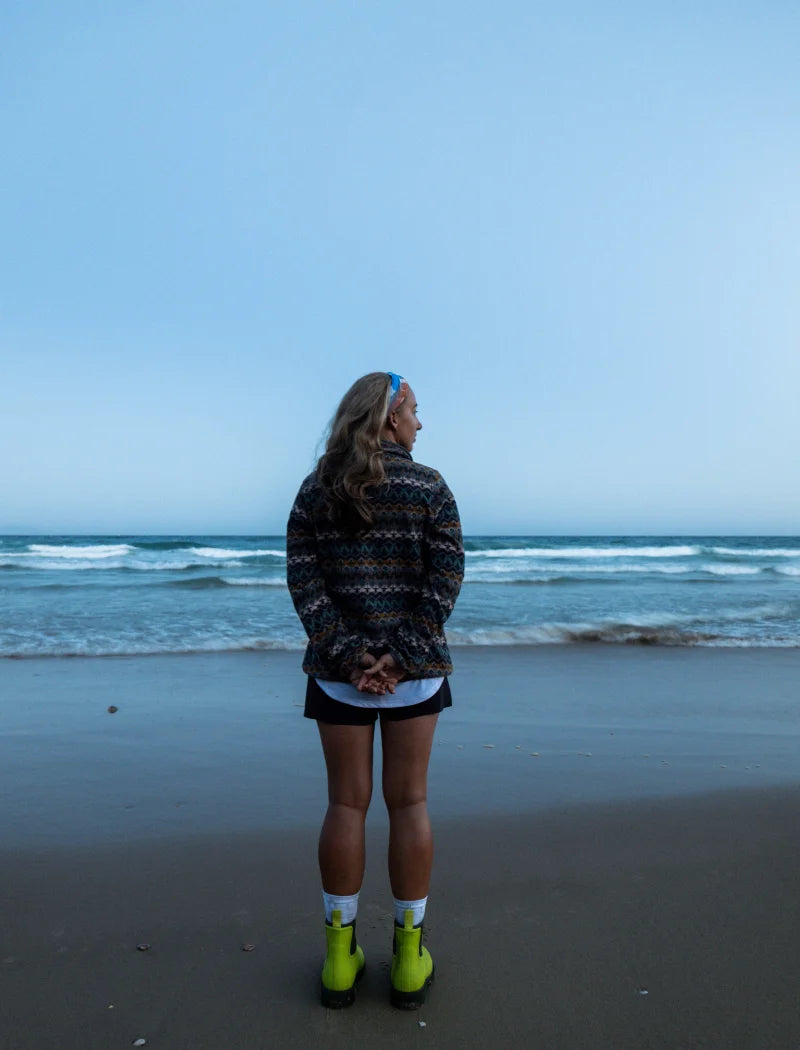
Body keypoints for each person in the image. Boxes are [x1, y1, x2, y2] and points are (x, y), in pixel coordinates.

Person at [286, 371, 464, 1009]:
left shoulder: (315, 491)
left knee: (345, 806)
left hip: (340, 679)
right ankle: (409, 961)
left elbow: (305, 587)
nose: (421, 422)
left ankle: (340, 960)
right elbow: (444, 586)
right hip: (414, 677)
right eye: (415, 410)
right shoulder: (430, 487)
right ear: (391, 418)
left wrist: (352, 655)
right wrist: (401, 656)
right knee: (410, 804)